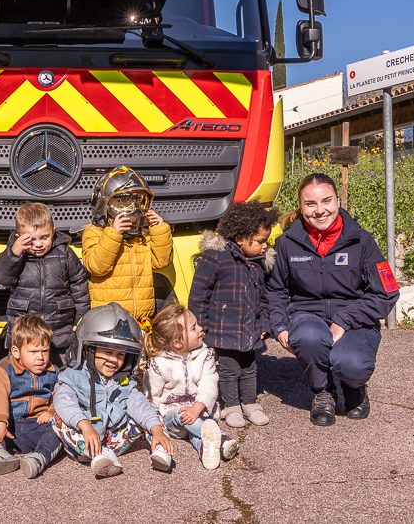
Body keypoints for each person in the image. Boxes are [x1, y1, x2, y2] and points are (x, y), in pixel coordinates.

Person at [268, 173, 400, 426]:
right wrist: (279, 326)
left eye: (326, 201)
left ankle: (354, 387)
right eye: (310, 204)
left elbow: (387, 292)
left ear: (338, 200)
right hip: (306, 316)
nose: (320, 211)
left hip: (354, 319)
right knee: (308, 337)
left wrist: (344, 320)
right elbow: (275, 291)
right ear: (301, 206)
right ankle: (323, 391)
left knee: (351, 363)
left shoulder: (362, 241)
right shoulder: (286, 243)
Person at [52, 303, 173, 478]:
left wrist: (156, 429)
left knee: (151, 412)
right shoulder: (72, 376)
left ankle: (161, 448)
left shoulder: (122, 380)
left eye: (121, 355)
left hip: (115, 439)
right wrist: (84, 425)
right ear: (88, 349)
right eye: (107, 351)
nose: (114, 360)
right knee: (57, 419)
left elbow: (137, 404)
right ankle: (101, 457)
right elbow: (64, 402)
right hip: (85, 442)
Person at [187, 200, 279, 428]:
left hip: (251, 329)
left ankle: (249, 403)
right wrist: (202, 325)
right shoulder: (216, 258)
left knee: (249, 367)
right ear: (240, 237)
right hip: (223, 329)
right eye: (260, 241)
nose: (264, 246)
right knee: (228, 369)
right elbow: (199, 294)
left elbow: (264, 298)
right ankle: (231, 406)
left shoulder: (258, 263)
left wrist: (264, 324)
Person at [0, 202, 89, 365]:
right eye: (30, 240)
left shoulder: (64, 253)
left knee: (62, 373)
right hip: (25, 331)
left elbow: (79, 286)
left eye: (44, 237)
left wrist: (81, 318)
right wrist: (15, 252)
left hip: (59, 330)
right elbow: (1, 277)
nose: (38, 244)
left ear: (53, 232)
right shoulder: (16, 254)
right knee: (23, 376)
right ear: (18, 237)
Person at [143, 303, 239, 471]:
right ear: (178, 343)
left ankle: (206, 450)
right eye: (194, 328)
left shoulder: (205, 354)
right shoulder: (159, 363)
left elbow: (209, 382)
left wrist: (198, 407)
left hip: (200, 412)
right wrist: (155, 425)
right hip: (172, 418)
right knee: (183, 415)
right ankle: (221, 439)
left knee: (198, 435)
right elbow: (152, 396)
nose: (201, 329)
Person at [0, 314, 62, 479]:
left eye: (45, 351)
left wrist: (52, 411)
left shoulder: (53, 371)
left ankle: (39, 458)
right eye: (33, 352)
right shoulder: (3, 369)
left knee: (59, 429)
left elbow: (60, 395)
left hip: (38, 425)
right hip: (10, 428)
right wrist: (0, 421)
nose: (40, 357)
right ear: (16, 351)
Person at [82, 166, 173, 322]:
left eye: (138, 200)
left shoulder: (143, 236)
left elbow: (161, 262)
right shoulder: (94, 232)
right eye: (122, 201)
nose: (133, 208)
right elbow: (97, 267)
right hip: (109, 317)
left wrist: (159, 228)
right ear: (105, 205)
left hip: (143, 317)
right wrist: (113, 233)